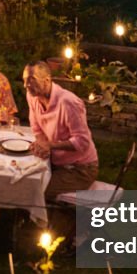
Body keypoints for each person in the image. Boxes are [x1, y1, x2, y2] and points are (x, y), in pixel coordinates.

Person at [23, 60, 98, 201]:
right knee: (23, 177)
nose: (26, 85)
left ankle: (44, 221)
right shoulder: (32, 96)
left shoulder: (68, 103)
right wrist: (42, 144)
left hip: (80, 168)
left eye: (31, 80)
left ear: (46, 80)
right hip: (56, 161)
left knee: (36, 190)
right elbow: (36, 126)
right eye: (25, 80)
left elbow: (82, 142)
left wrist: (50, 145)